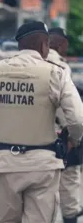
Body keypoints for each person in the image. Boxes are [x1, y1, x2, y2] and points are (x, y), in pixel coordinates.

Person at [0, 21, 83, 223]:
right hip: (43, 164)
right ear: (44, 45)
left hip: (3, 163)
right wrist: (74, 139)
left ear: (19, 45)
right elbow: (77, 118)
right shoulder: (57, 73)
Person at [48, 27, 83, 223]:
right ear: (61, 45)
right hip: (58, 136)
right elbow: (70, 111)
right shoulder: (61, 66)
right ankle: (70, 215)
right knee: (69, 182)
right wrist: (74, 137)